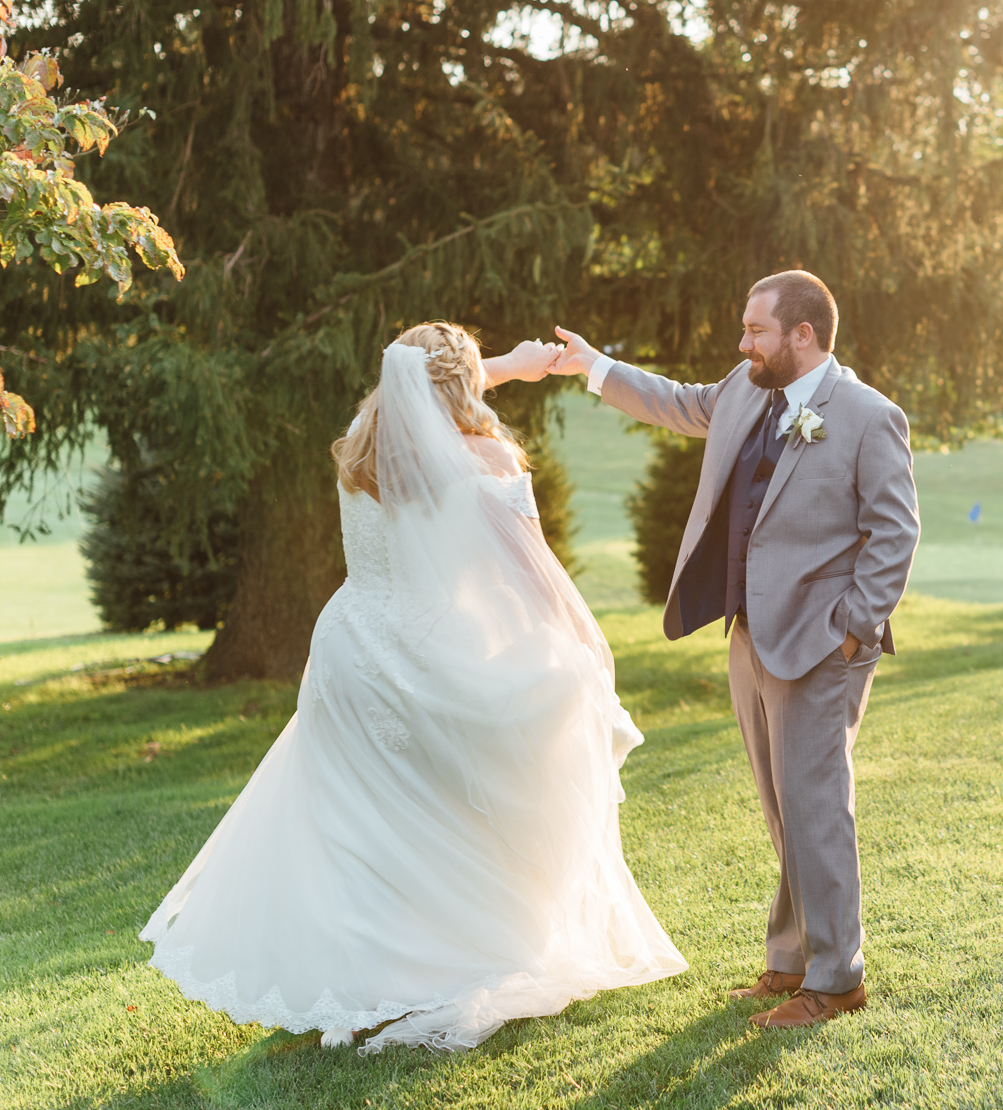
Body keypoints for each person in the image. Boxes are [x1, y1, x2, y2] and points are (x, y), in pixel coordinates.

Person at [141, 322, 685, 1053]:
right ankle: (455, 958)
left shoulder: (364, 439)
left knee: (363, 825)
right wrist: (585, 650)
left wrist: (503, 369)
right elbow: (536, 579)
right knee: (455, 810)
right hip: (429, 655)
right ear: (458, 385)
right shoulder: (483, 458)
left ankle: (367, 981)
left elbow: (416, 388)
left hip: (347, 649)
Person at [528, 269, 919, 1028]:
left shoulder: (870, 417)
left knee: (817, 806)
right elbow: (678, 401)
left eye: (756, 331)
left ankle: (839, 979)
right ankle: (791, 958)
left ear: (802, 335)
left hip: (821, 644)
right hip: (752, 635)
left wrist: (851, 627)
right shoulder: (746, 390)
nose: (743, 345)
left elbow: (895, 532)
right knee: (782, 806)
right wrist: (595, 368)